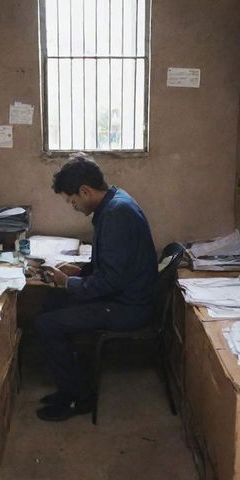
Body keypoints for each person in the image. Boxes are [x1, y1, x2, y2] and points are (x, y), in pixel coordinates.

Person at [33, 153, 158, 421]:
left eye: (72, 200)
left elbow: (110, 281)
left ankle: (79, 398)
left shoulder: (116, 214)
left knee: (47, 324)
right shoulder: (113, 203)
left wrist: (67, 282)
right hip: (122, 295)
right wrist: (79, 271)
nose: (73, 206)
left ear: (85, 191)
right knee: (50, 305)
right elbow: (110, 264)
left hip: (128, 307)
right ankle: (71, 385)